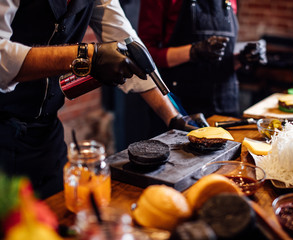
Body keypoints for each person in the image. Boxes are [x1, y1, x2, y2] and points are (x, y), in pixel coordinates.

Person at [0, 0, 196, 199]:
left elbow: (127, 42)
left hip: (45, 137)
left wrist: (174, 118)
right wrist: (88, 55)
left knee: (60, 217)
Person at [138, 0, 266, 118]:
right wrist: (193, 51)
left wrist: (242, 59)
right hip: (181, 108)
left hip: (226, 103)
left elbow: (219, 60)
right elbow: (144, 55)